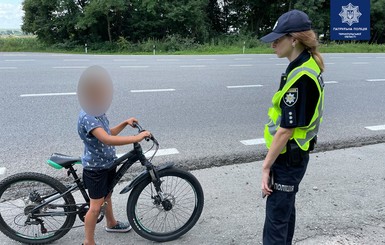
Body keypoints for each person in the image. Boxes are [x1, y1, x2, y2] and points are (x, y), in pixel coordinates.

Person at [259, 10, 325, 244]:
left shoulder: (302, 76)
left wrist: (266, 167)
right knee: (284, 215)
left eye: (278, 39)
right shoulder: (302, 66)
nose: (273, 45)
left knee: (276, 222)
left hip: (288, 159)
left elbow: (286, 129)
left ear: (294, 39)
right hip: (292, 156)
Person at [77, 65, 151, 245]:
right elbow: (106, 139)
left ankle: (111, 223)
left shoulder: (97, 111)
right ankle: (88, 242)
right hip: (96, 168)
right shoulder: (88, 116)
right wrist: (136, 137)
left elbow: (108, 132)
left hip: (107, 163)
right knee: (95, 207)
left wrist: (125, 123)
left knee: (107, 196)